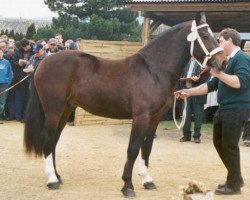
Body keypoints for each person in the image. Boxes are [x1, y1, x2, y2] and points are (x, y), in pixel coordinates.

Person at [175, 28, 250, 195]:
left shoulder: (242, 58)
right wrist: (189, 92)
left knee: (229, 146)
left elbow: (240, 82)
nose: (219, 45)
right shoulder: (227, 61)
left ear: (230, 41)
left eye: (221, 41)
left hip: (237, 109)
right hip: (224, 108)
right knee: (219, 143)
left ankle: (234, 183)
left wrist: (219, 74)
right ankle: (235, 178)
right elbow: (211, 85)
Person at [179, 60, 210, 143]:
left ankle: (197, 136)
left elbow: (207, 78)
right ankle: (186, 135)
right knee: (186, 115)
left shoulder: (203, 63)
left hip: (198, 92)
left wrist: (197, 79)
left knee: (198, 115)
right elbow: (181, 75)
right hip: (186, 91)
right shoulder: (186, 62)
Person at [0, 48, 13, 124]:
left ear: (3, 53)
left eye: (1, 52)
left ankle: (0, 116)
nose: (0, 53)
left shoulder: (6, 62)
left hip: (4, 84)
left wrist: (8, 82)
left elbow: (10, 73)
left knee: (2, 102)